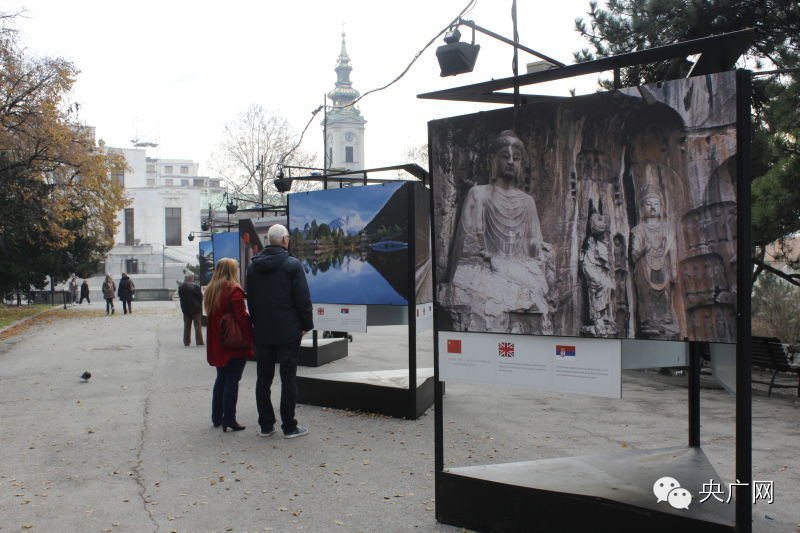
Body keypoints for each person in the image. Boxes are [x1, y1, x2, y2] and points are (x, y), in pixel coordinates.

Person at [445, 130, 553, 334]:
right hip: (487, 271)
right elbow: (468, 242)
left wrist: (541, 257)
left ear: (521, 164)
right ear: (492, 160)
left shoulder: (527, 202)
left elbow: (534, 248)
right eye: (505, 156)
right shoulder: (479, 194)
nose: (511, 161)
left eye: (517, 158)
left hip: (521, 272)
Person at [247, 224, 313, 439]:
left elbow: (252, 303)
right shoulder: (292, 265)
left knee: (263, 379)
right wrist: (306, 325)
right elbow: (302, 299)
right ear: (285, 240)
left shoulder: (253, 267)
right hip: (288, 331)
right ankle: (289, 426)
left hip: (263, 331)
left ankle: (266, 426)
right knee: (288, 379)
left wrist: (258, 323)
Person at [204, 258, 253, 432]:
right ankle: (229, 419)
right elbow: (242, 317)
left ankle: (216, 417)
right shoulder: (233, 289)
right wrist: (250, 337)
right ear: (232, 270)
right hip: (234, 342)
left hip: (218, 342)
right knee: (233, 379)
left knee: (221, 378)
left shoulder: (211, 289)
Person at [630, 180, 680, 340]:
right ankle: (649, 322)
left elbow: (672, 248)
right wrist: (644, 249)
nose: (652, 207)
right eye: (648, 204)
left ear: (661, 206)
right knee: (647, 295)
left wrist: (673, 269)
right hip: (645, 267)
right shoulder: (638, 230)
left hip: (663, 265)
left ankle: (665, 320)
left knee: (665, 295)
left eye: (656, 204)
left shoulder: (667, 227)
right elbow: (633, 255)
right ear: (642, 208)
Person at [178, 272, 204, 346]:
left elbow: (180, 297)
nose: (193, 278)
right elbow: (200, 297)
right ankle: (199, 342)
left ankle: (186, 341)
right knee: (197, 326)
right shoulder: (195, 286)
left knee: (187, 326)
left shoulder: (181, 287)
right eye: (193, 277)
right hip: (196, 309)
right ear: (191, 277)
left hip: (186, 310)